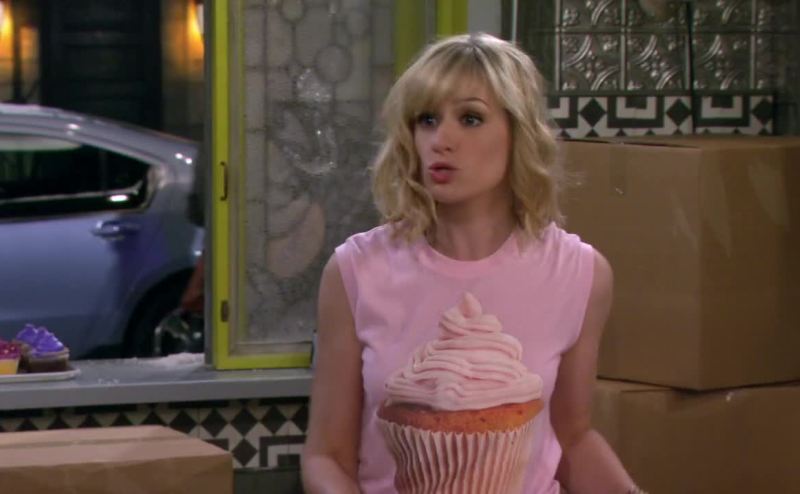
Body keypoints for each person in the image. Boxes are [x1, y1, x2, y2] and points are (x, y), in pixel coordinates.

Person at [302, 33, 643, 494]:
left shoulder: (580, 274)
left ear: (518, 133)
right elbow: (326, 456)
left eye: (470, 118)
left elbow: (574, 439)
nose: (441, 140)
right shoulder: (355, 272)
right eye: (427, 119)